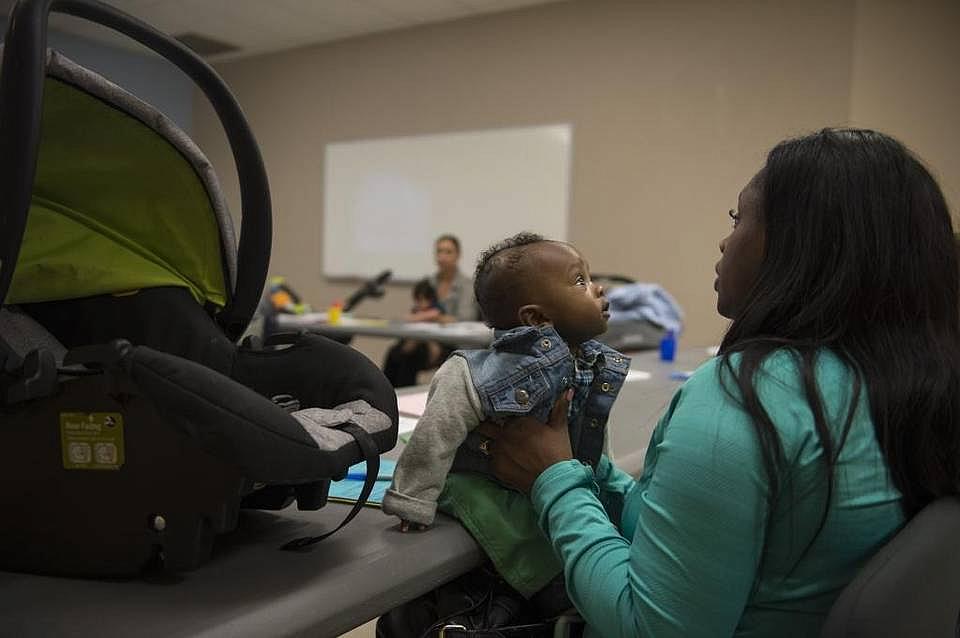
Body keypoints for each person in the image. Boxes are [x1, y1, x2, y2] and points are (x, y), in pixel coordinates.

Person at [475, 128, 960, 637]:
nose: (726, 239)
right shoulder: (910, 383)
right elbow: (689, 526)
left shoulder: (745, 401)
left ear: (799, 242)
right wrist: (586, 470)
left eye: (738, 216)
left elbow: (651, 627)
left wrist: (552, 482)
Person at [382, 232, 629, 611]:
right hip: (481, 479)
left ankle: (611, 553)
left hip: (555, 469)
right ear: (537, 317)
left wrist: (601, 475)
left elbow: (593, 424)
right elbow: (435, 435)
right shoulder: (475, 372)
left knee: (612, 490)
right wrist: (412, 500)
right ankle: (552, 586)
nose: (598, 288)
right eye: (580, 281)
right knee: (511, 524)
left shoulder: (590, 360)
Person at [383, 234, 479, 387]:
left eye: (448, 252)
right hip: (425, 338)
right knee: (394, 353)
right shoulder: (429, 282)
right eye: (439, 252)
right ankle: (385, 399)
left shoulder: (467, 285)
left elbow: (465, 318)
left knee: (410, 358)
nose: (442, 256)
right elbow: (417, 311)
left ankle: (402, 403)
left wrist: (432, 317)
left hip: (452, 343)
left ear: (458, 255)